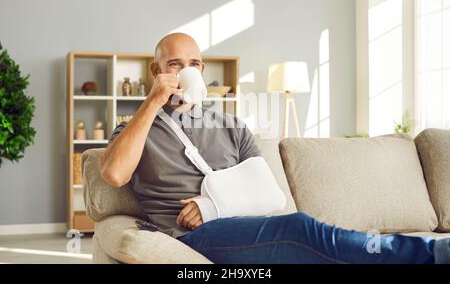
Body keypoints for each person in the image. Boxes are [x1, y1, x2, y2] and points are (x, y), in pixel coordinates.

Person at [100, 33, 450, 264]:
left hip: (246, 224)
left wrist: (211, 204)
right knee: (298, 228)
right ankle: (430, 254)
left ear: (202, 70)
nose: (185, 71)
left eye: (193, 64)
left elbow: (268, 194)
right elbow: (114, 173)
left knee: (306, 236)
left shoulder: (231, 126)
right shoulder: (137, 128)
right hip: (195, 235)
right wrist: (152, 101)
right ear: (156, 70)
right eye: (174, 64)